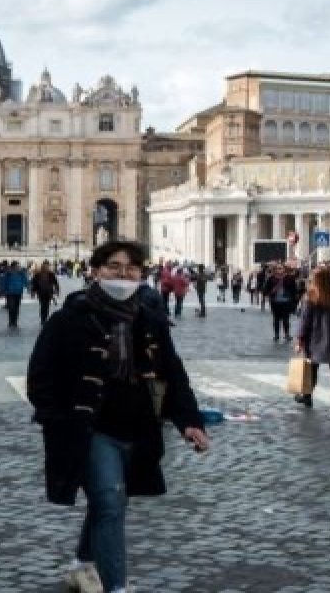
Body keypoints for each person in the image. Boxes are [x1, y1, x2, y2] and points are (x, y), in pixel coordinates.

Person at [28, 241, 209, 593]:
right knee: (110, 499)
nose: (123, 274)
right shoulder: (68, 320)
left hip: (138, 426)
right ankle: (117, 588)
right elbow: (40, 377)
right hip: (90, 427)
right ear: (95, 272)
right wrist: (59, 419)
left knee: (109, 500)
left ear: (142, 274)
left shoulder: (151, 320)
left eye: (131, 268)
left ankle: (82, 563)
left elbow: (172, 375)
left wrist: (190, 421)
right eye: (114, 266)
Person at [294, 267, 330, 414]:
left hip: (315, 336)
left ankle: (307, 396)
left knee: (312, 367)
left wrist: (300, 338)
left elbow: (305, 321)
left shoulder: (311, 296)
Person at [262, 265, 301, 342]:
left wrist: (294, 301)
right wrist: (270, 292)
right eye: (278, 268)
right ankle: (276, 335)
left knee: (286, 319)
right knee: (276, 319)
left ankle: (287, 334)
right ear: (275, 270)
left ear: (284, 269)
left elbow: (294, 290)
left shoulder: (289, 278)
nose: (279, 270)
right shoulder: (271, 278)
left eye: (281, 268)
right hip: (275, 301)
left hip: (286, 301)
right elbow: (265, 289)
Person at [2, 261, 30, 328]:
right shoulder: (8, 274)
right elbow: (4, 282)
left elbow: (25, 281)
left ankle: (14, 322)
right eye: (17, 266)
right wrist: (4, 290)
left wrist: (28, 287)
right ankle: (11, 321)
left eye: (18, 266)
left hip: (18, 293)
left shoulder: (21, 273)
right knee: (11, 307)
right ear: (13, 267)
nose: (18, 267)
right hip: (10, 293)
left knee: (16, 308)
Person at [32, 260, 61, 325]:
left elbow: (55, 283)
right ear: (42, 266)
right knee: (43, 305)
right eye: (45, 266)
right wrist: (33, 292)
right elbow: (34, 283)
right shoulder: (38, 274)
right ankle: (43, 318)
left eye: (47, 266)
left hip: (49, 292)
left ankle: (44, 318)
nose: (46, 267)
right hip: (41, 292)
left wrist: (57, 290)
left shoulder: (51, 274)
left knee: (47, 305)